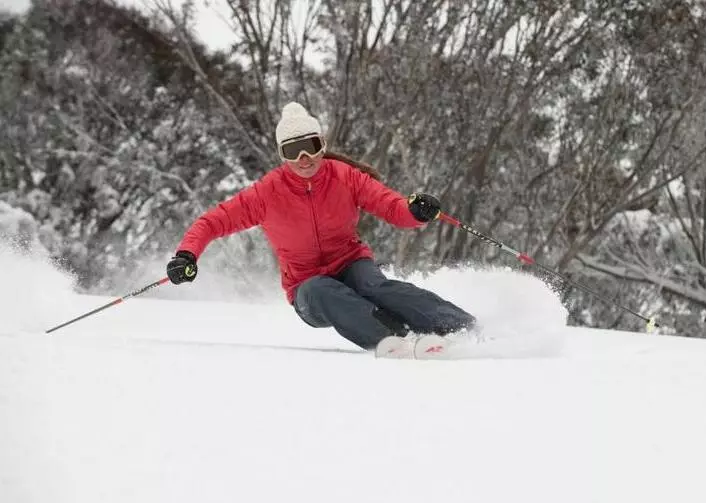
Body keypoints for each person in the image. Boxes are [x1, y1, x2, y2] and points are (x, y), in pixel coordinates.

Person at [166, 101, 476, 350]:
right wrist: (186, 255)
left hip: (351, 264)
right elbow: (212, 222)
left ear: (322, 145)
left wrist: (414, 211)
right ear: (282, 155)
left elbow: (390, 206)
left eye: (310, 146)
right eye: (292, 151)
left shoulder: (344, 176)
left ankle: (462, 327)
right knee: (320, 289)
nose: (304, 158)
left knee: (374, 286)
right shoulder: (267, 193)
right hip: (307, 288)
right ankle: (395, 338)